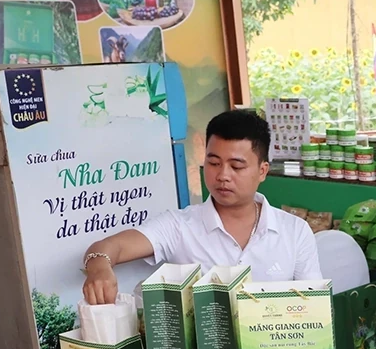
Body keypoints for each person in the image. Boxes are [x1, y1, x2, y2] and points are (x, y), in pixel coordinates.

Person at [81, 110, 322, 304]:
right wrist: (99, 266)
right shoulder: (179, 227)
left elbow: (314, 308)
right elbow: (110, 247)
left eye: (236, 167)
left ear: (262, 171)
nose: (222, 176)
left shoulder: (295, 232)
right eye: (214, 163)